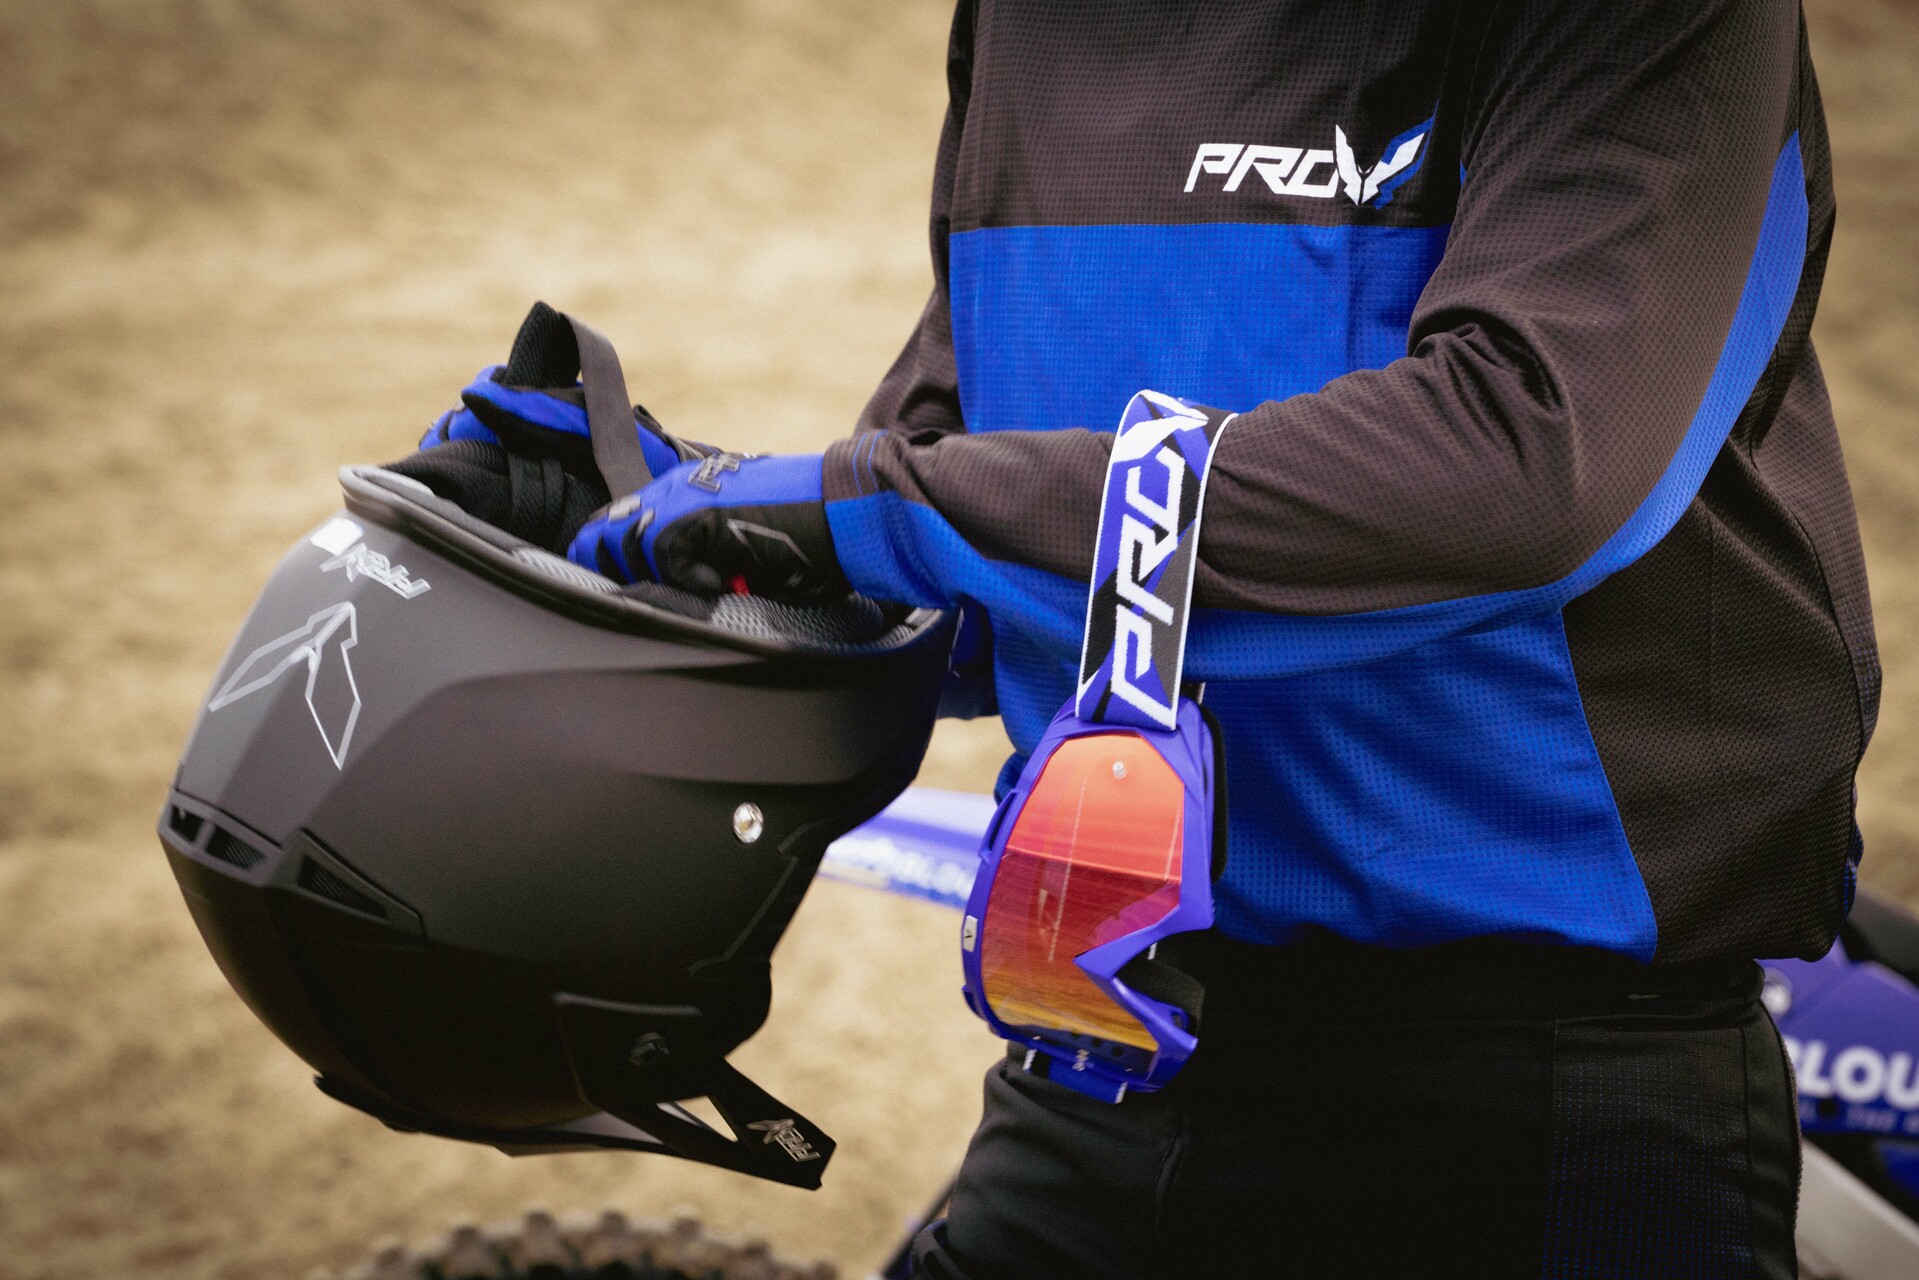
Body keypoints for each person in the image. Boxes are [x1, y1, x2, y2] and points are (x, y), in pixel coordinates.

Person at [459, 2, 1879, 1275]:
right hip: (1107, 1054)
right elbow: (972, 547)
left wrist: (872, 510)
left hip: (1540, 1092)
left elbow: (1526, 469)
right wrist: (665, 523)